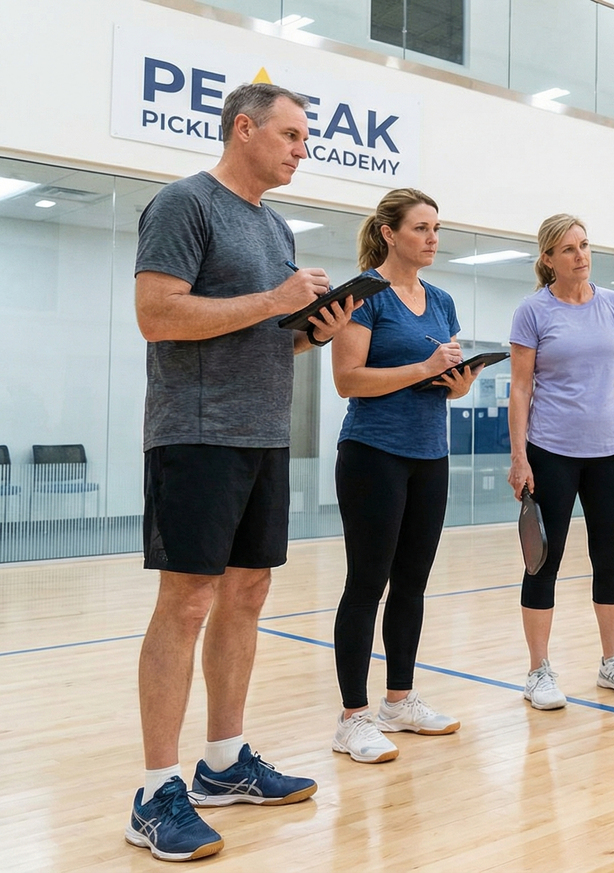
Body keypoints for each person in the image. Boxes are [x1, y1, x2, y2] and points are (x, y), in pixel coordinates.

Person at [129, 82, 360, 862]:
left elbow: (267, 330)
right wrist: (273, 300)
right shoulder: (183, 205)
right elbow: (157, 314)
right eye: (293, 135)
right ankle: (156, 789)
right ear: (244, 129)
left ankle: (223, 763)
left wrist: (311, 330)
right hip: (194, 434)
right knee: (187, 600)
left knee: (249, 593)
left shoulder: (275, 224)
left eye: (307, 138)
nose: (304, 149)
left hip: (261, 436)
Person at [327, 188, 483, 763]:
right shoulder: (363, 295)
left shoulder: (440, 299)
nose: (432, 238)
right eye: (421, 228)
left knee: (412, 584)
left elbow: (445, 376)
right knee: (367, 582)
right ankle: (352, 717)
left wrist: (458, 381)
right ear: (390, 233)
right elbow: (349, 379)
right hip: (372, 452)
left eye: (436, 228)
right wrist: (422, 367)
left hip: (429, 453)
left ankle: (399, 700)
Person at [507, 214, 614, 709]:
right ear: (548, 259)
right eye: (568, 249)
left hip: (609, 453)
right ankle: (538, 671)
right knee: (543, 561)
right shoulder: (533, 311)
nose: (581, 256)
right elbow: (520, 388)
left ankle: (612, 661)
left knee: (609, 558)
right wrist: (519, 456)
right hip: (551, 453)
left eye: (585, 245)